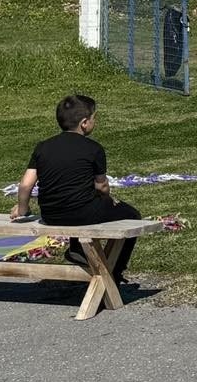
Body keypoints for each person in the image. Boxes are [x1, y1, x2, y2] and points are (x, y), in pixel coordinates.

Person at [11, 93, 142, 283]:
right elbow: (101, 185)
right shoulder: (93, 148)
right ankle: (115, 269)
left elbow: (26, 184)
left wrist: (22, 208)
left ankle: (78, 250)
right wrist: (108, 198)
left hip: (51, 214)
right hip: (83, 213)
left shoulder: (43, 147)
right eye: (94, 118)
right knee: (133, 216)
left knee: (74, 199)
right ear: (84, 123)